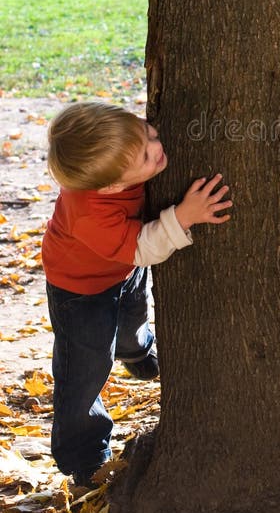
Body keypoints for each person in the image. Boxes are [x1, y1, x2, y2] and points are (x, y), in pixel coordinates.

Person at [42, 101, 233, 487]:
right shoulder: (89, 212)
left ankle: (137, 351)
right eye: (147, 153)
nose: (157, 144)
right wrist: (183, 216)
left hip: (122, 268)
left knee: (133, 320)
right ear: (112, 185)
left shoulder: (117, 158)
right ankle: (84, 453)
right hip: (80, 291)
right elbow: (144, 247)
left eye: (147, 132)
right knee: (85, 366)